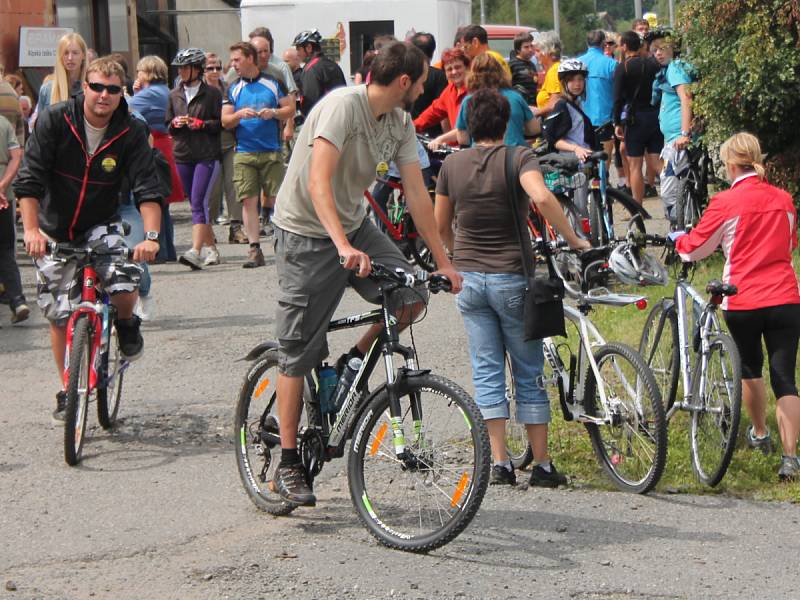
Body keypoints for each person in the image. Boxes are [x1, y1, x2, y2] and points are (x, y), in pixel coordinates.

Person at [270, 41, 461, 506]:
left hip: (354, 225)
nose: (423, 87)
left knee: (411, 294)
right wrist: (340, 245)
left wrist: (442, 261)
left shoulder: (398, 122)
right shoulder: (341, 107)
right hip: (306, 232)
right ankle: (290, 462)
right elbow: (318, 183)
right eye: (421, 81)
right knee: (298, 349)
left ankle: (353, 359)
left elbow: (417, 195)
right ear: (403, 82)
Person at [435, 88, 590, 487]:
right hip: (511, 277)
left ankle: (500, 463)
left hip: (469, 280)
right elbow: (540, 197)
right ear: (506, 124)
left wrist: (455, 256)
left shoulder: (452, 165)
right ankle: (542, 465)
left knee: (487, 370)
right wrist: (574, 239)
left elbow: (439, 226)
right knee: (528, 371)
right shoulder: (518, 157)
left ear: (468, 124)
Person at [13, 57, 162, 422]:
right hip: (54, 225)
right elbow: (29, 179)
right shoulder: (55, 120)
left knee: (126, 280)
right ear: (85, 86)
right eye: (97, 87)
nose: (104, 95)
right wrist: (31, 230)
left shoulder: (130, 130)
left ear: (122, 91)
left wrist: (152, 237)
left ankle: (126, 323)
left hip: (101, 223)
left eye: (113, 89)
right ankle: (68, 388)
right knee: (58, 313)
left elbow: (147, 188)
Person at [673, 132, 800, 481]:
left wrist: (678, 242)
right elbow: (791, 243)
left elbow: (695, 248)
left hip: (743, 297)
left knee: (750, 369)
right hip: (786, 297)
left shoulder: (726, 202)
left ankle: (760, 433)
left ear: (730, 164)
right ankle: (791, 457)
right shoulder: (784, 199)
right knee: (785, 377)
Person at [222, 42, 295, 269]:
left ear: (250, 59)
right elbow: (225, 120)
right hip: (243, 151)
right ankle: (254, 248)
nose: (233, 64)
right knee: (248, 201)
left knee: (277, 200)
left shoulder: (273, 83)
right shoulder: (233, 87)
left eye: (237, 60)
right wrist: (239, 115)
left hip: (271, 150)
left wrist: (273, 113)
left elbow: (290, 109)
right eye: (233, 60)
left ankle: (284, 245)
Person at [167, 48, 222, 270]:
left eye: (185, 67)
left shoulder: (212, 94)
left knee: (199, 203)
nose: (181, 71)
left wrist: (202, 124)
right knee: (195, 203)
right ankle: (212, 249)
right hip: (182, 154)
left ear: (197, 69)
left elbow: (220, 124)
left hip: (206, 154)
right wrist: (175, 124)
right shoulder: (174, 95)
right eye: (179, 67)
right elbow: (167, 122)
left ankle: (195, 251)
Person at [130, 55, 183, 264]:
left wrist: (134, 93)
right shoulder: (165, 91)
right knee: (164, 203)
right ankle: (167, 249)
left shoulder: (149, 94)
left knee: (153, 199)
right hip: (167, 146)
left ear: (147, 72)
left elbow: (125, 108)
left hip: (154, 145)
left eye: (139, 72)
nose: (137, 76)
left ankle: (158, 251)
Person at [542, 59, 599, 218]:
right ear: (564, 83)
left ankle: (590, 221)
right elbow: (554, 139)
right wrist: (576, 149)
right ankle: (582, 221)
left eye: (580, 79)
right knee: (579, 196)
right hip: (571, 158)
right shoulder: (562, 105)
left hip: (585, 155)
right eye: (572, 80)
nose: (577, 84)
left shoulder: (578, 103)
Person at [650, 29, 695, 224]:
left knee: (668, 190)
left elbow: (686, 98)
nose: (658, 53)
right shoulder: (668, 70)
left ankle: (681, 234)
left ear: (673, 48)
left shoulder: (674, 68)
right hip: (673, 139)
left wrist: (684, 133)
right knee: (678, 188)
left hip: (678, 141)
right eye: (654, 50)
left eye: (662, 48)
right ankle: (686, 230)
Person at [613, 31, 663, 204]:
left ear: (625, 46)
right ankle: (676, 194)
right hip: (654, 116)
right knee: (657, 161)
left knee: (635, 165)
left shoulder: (623, 67)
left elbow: (618, 98)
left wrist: (617, 122)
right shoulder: (653, 64)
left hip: (634, 120)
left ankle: (638, 207)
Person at [455, 54, 538, 148]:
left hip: (480, 155)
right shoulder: (515, 97)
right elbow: (534, 129)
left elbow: (462, 138)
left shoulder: (468, 100)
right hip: (515, 153)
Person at [204, 52, 245, 242]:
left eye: (218, 68)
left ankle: (235, 227)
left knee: (234, 185)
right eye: (209, 68)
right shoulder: (198, 92)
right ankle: (207, 229)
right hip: (206, 146)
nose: (214, 72)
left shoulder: (230, 89)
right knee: (211, 190)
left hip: (229, 142)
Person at [0, 113, 28, 325]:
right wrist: (2, 185)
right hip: (4, 198)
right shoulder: (3, 123)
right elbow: (17, 156)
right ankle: (18, 300)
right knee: (7, 251)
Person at [413, 47, 470, 147]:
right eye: (449, 69)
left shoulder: (475, 91)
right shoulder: (450, 91)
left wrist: (440, 139)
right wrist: (411, 127)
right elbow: (433, 112)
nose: (454, 72)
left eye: (458, 67)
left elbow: (466, 127)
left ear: (467, 67)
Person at [577, 30, 618, 158]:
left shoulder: (577, 63)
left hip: (581, 119)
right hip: (605, 119)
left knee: (586, 158)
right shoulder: (612, 64)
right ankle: (603, 176)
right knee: (604, 159)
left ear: (587, 43)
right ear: (603, 43)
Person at [293, 29, 347, 118]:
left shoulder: (311, 69)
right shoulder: (333, 65)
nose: (297, 53)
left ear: (309, 48)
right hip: (339, 117)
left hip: (321, 122)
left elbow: (310, 103)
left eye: (298, 49)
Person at [35, 32, 87, 118]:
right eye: (66, 53)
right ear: (60, 56)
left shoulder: (91, 88)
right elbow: (40, 125)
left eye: (75, 53)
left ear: (83, 55)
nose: (70, 58)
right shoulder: (47, 90)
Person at [409, 32, 448, 136]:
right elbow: (443, 112)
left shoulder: (404, 74)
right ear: (432, 51)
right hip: (433, 138)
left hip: (409, 132)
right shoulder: (439, 76)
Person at [533, 31, 562, 116]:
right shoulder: (553, 69)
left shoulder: (554, 71)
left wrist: (533, 114)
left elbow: (554, 105)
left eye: (537, 51)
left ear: (548, 52)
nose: (535, 55)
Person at [508, 32, 538, 106]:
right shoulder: (512, 65)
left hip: (532, 107)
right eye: (526, 47)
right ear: (518, 50)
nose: (530, 49)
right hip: (518, 105)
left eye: (531, 46)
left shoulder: (532, 65)